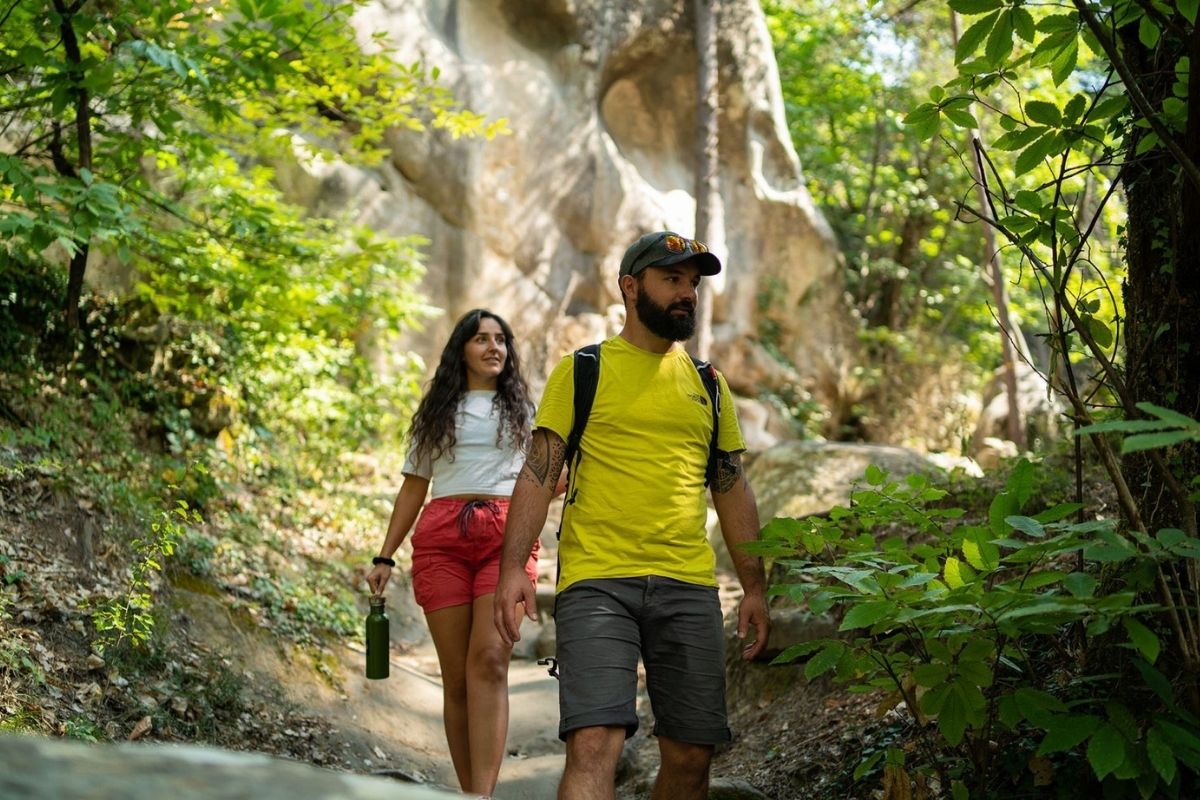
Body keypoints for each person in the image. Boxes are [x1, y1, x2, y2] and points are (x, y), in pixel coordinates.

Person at [494, 231, 771, 800]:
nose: (687, 293)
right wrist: (512, 569)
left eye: (692, 283)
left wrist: (755, 587)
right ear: (630, 285)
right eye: (672, 279)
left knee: (692, 757)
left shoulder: (708, 384)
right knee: (594, 742)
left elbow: (731, 486)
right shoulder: (584, 370)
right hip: (597, 583)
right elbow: (540, 472)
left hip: (688, 584)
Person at [367, 308, 540, 797]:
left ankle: (482, 794)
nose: (494, 348)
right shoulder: (437, 412)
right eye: (481, 339)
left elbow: (547, 479)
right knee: (457, 677)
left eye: (501, 340)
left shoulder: (526, 412)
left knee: (488, 660)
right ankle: (469, 792)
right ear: (460, 349)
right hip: (442, 539)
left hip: (506, 539)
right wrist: (385, 557)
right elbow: (413, 488)